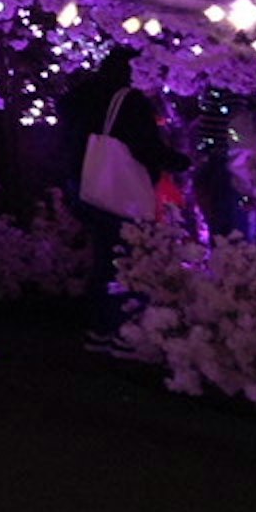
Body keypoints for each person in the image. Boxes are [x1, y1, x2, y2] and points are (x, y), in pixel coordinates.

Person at [56, 45, 185, 354]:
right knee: (128, 259)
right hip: (119, 191)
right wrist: (180, 161)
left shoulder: (81, 96)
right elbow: (143, 145)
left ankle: (101, 327)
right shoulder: (128, 100)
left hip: (87, 186)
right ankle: (126, 332)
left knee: (104, 258)